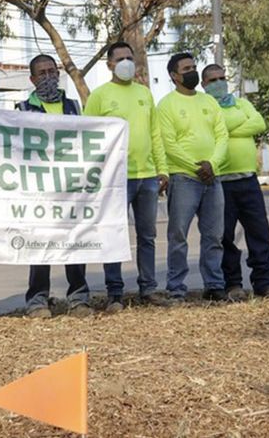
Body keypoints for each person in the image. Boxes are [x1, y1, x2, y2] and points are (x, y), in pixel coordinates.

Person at [83, 42, 172, 312]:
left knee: (147, 236)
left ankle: (148, 289)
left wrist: (162, 168)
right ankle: (115, 293)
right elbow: (88, 134)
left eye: (130, 58)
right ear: (109, 64)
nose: (126, 63)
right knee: (113, 235)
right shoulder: (99, 96)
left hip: (146, 176)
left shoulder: (145, 94)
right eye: (120, 59)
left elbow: (154, 134)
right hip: (115, 178)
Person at [14, 54, 93, 319]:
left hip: (70, 188)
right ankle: (37, 300)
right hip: (39, 191)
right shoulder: (22, 110)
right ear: (32, 79)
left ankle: (79, 298)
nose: (48, 77)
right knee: (39, 245)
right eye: (42, 73)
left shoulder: (74, 106)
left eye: (52, 71)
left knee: (74, 243)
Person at [157, 53, 230, 301]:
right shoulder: (166, 105)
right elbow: (169, 143)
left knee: (214, 236)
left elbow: (222, 136)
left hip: (213, 177)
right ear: (174, 76)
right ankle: (176, 288)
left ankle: (214, 284)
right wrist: (196, 166)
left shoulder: (209, 102)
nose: (192, 72)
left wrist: (213, 163)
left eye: (194, 67)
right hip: (184, 178)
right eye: (186, 68)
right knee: (178, 236)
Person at [201, 64, 269, 298]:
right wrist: (235, 126)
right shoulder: (204, 107)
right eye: (213, 80)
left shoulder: (241, 102)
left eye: (222, 78)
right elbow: (212, 129)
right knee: (224, 236)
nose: (219, 83)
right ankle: (232, 283)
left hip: (248, 178)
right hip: (221, 180)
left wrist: (225, 128)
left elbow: (259, 123)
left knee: (259, 231)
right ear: (204, 85)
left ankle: (263, 282)